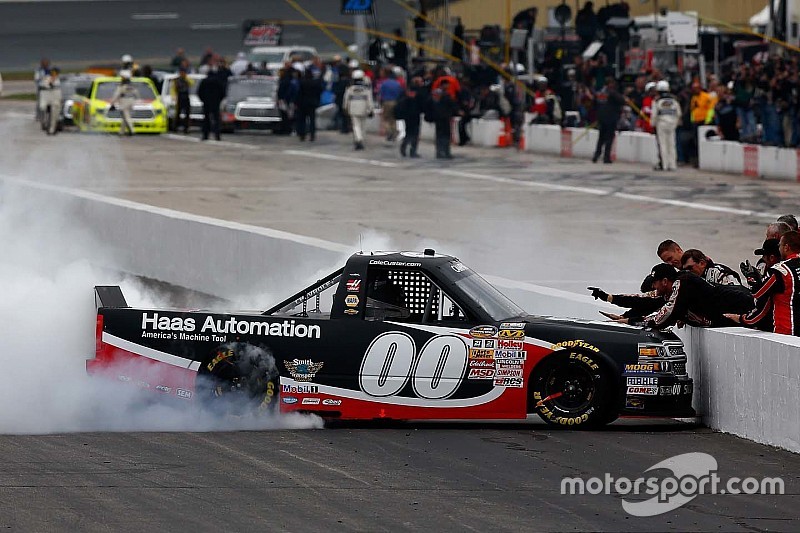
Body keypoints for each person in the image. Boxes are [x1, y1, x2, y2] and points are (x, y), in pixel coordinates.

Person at [629, 264, 755, 329]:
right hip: (731, 310)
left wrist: (635, 321)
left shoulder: (683, 281)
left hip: (742, 303)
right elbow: (648, 304)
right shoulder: (675, 290)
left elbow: (669, 314)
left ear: (665, 281)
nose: (655, 289)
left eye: (655, 284)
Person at [726, 231, 800, 336]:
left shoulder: (780, 271)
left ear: (786, 247)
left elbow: (758, 294)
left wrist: (752, 279)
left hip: (787, 331)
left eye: (780, 245)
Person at [592, 77, 625, 164]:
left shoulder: (600, 93)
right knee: (609, 138)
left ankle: (596, 155)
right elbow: (622, 100)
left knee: (601, 138)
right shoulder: (612, 93)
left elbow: (595, 103)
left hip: (601, 118)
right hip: (610, 118)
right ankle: (606, 157)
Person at [651, 80, 680, 171]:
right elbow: (678, 113)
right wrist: (675, 123)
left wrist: (653, 124)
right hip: (672, 124)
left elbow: (654, 114)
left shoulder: (657, 100)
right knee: (672, 144)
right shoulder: (674, 100)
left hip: (661, 124)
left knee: (663, 144)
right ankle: (673, 165)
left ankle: (664, 165)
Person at [343, 69, 374, 150]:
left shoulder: (350, 88)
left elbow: (346, 99)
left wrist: (345, 107)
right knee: (363, 125)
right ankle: (361, 139)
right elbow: (370, 100)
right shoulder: (366, 89)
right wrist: (371, 109)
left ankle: (358, 139)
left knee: (356, 125)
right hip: (364, 109)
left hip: (353, 109)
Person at [396, 76, 425, 158]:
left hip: (409, 115)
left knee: (410, 133)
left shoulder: (406, 92)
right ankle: (411, 150)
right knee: (414, 133)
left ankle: (405, 148)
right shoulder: (419, 92)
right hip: (414, 115)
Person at [197, 63, 226, 141]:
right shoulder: (218, 82)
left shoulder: (204, 81)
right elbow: (223, 92)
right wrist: (219, 100)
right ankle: (217, 135)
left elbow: (199, 92)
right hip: (215, 103)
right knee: (216, 119)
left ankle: (205, 135)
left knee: (206, 120)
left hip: (206, 103)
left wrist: (203, 100)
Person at [432, 81, 459, 159]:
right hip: (443, 117)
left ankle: (442, 152)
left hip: (442, 117)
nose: (448, 86)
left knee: (442, 136)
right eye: (447, 85)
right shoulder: (442, 94)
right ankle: (444, 152)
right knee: (444, 136)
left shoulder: (440, 94)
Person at [296, 68, 322, 141]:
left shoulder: (302, 82)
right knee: (312, 120)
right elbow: (319, 92)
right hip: (312, 103)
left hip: (303, 103)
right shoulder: (315, 83)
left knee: (302, 120)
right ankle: (312, 135)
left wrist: (297, 102)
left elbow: (299, 93)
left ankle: (302, 135)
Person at [110, 70, 138, 136]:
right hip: (131, 101)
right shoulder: (132, 86)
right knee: (125, 117)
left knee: (127, 116)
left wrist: (112, 103)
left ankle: (132, 130)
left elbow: (116, 95)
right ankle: (121, 132)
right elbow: (136, 94)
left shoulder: (121, 86)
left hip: (124, 101)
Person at [379, 69, 403, 141]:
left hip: (386, 102)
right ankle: (394, 133)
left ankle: (389, 132)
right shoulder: (397, 84)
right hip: (395, 102)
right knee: (393, 118)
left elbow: (381, 94)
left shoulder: (384, 83)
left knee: (386, 118)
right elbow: (400, 94)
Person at [39, 66, 62, 135]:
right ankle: (46, 125)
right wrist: (51, 82)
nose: (54, 74)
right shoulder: (47, 78)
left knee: (55, 115)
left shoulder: (59, 80)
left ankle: (52, 129)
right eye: (53, 72)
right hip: (47, 99)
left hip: (56, 100)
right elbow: (46, 85)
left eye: (56, 73)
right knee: (44, 110)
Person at [172, 68, 193, 134]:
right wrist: (174, 96)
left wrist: (186, 78)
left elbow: (192, 83)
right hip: (180, 97)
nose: (182, 74)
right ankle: (175, 127)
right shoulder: (176, 80)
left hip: (186, 97)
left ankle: (186, 128)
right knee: (178, 113)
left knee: (187, 113)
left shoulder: (187, 79)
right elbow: (173, 88)